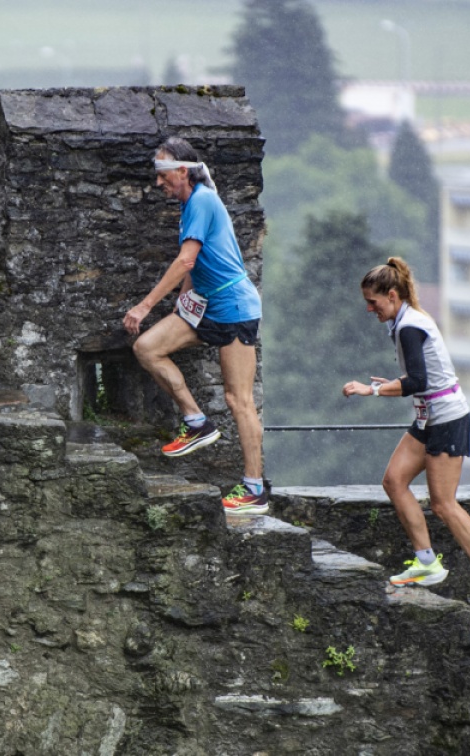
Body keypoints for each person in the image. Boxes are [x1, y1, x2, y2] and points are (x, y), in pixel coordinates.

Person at [341, 258, 470, 622]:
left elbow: (417, 382)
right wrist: (387, 385)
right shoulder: (406, 320)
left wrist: (372, 390)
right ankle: (426, 563)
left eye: (373, 302)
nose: (369, 309)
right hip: (428, 417)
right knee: (393, 480)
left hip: (447, 418)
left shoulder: (409, 326)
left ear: (392, 295)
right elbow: (420, 379)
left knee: (443, 504)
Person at [124, 136, 268, 515]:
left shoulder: (201, 200)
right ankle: (197, 421)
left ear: (183, 172)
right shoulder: (191, 204)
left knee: (239, 400)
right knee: (147, 348)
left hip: (234, 308)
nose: (158, 183)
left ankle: (254, 489)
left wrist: (145, 306)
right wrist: (184, 299)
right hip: (206, 306)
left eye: (163, 175)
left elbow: (186, 260)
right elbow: (199, 259)